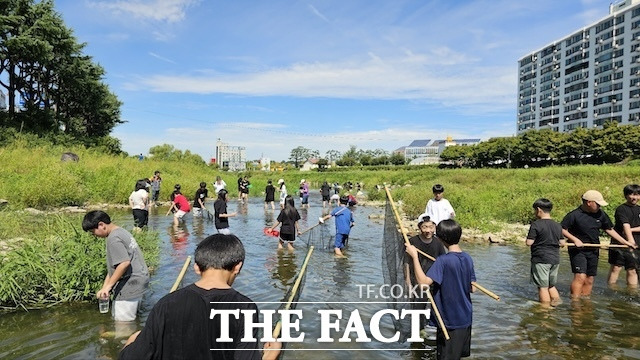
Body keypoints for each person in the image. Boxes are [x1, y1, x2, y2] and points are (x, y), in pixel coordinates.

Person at [119, 234, 281, 359]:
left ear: (196, 267)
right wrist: (270, 356)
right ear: (238, 267)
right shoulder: (245, 308)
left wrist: (132, 341)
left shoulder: (166, 303)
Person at [406, 219, 476, 360]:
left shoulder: (443, 261)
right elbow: (472, 288)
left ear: (440, 238)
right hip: (466, 318)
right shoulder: (467, 258)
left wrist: (414, 257)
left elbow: (424, 284)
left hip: (448, 320)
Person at [82, 210, 149, 322]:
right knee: (134, 321)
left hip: (130, 285)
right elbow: (115, 267)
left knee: (123, 325)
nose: (93, 235)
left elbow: (124, 263)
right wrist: (105, 287)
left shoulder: (113, 239)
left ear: (101, 225)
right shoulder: (121, 231)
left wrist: (108, 288)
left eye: (93, 232)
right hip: (140, 280)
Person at [562, 190, 630, 299]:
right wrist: (575, 240)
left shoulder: (601, 214)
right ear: (589, 203)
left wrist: (625, 242)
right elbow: (562, 229)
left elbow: (609, 230)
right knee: (580, 276)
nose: (599, 206)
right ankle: (575, 301)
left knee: (590, 278)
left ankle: (585, 299)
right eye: (597, 204)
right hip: (578, 250)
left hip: (594, 249)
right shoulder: (574, 215)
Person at [404, 216, 446, 330]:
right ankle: (418, 332)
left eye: (431, 227)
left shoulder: (438, 243)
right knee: (417, 310)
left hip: (433, 281)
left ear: (435, 227)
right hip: (417, 282)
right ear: (419, 227)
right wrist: (408, 283)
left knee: (437, 309)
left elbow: (443, 263)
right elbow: (407, 263)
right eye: (425, 227)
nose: (428, 230)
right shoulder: (412, 242)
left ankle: (434, 329)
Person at [525, 198, 565, 305]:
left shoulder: (536, 225)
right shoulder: (557, 225)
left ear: (539, 210)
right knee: (551, 285)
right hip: (555, 259)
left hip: (541, 259)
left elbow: (529, 242)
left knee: (542, 287)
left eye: (535, 211)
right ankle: (557, 304)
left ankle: (545, 310)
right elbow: (562, 243)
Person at [608, 184, 640, 287]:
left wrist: (632, 232)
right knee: (616, 267)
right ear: (626, 196)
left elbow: (629, 228)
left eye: (637, 194)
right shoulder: (621, 209)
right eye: (631, 194)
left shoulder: (639, 209)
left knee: (632, 269)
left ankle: (632, 292)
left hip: (636, 243)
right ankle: (611, 288)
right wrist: (630, 241)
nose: (634, 197)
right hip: (620, 243)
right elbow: (625, 225)